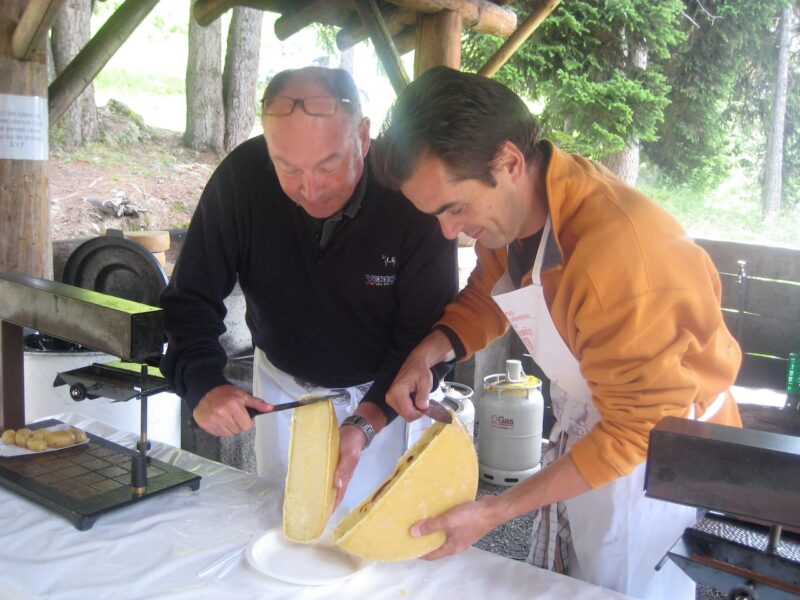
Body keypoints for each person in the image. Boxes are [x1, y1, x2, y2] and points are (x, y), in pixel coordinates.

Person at [370, 66, 742, 600]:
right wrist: (428, 353)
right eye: (435, 214)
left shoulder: (616, 259)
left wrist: (497, 510)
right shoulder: (515, 213)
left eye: (454, 208)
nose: (447, 231)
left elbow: (636, 431)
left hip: (658, 456)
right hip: (600, 422)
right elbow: (487, 294)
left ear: (510, 162)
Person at [160, 66, 457, 511]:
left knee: (373, 537)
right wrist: (202, 382)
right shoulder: (243, 179)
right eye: (287, 168)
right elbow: (190, 296)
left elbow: (427, 333)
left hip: (384, 395)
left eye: (328, 164)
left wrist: (368, 421)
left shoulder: (409, 195)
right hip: (282, 390)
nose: (311, 190)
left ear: (361, 136)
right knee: (285, 527)